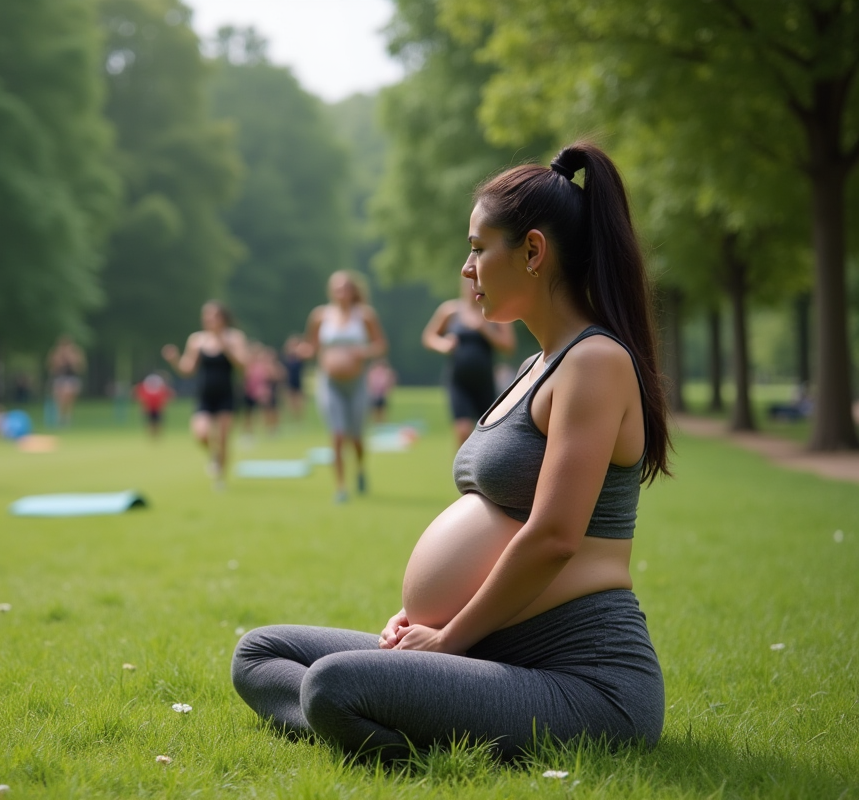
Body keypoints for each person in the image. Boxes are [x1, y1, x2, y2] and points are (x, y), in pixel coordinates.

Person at [233, 142, 672, 762]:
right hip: (488, 649)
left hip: (582, 680)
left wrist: (448, 643)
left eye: (476, 247)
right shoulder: (532, 367)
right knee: (259, 653)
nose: (466, 269)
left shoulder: (595, 363)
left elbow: (553, 537)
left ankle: (389, 718)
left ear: (533, 251)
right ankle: (399, 709)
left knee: (333, 684)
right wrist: (415, 617)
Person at [298, 271, 388, 503]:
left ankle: (359, 469)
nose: (341, 293)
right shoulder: (320, 316)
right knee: (337, 434)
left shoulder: (365, 316)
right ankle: (340, 487)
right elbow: (312, 346)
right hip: (329, 384)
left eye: (345, 288)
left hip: (357, 383)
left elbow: (380, 345)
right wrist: (302, 351)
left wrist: (364, 351)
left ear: (353, 291)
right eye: (337, 289)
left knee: (356, 437)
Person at [162, 301, 249, 489]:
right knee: (201, 434)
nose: (209, 320)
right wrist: (174, 360)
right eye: (206, 316)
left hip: (226, 395)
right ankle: (213, 455)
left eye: (213, 316)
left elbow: (243, 365)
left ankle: (220, 480)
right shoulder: (197, 340)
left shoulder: (234, 338)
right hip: (205, 396)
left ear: (223, 318)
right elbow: (188, 369)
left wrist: (225, 347)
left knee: (224, 438)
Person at [423, 279, 517, 448]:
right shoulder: (450, 311)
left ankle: (482, 473)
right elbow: (429, 337)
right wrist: (443, 345)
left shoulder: (494, 312)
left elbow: (509, 345)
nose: (474, 288)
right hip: (459, 382)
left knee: (489, 432)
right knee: (463, 430)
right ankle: (462, 473)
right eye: (470, 283)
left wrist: (485, 329)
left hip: (485, 383)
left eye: (480, 282)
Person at [48, 336, 85, 428]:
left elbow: (80, 367)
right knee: (59, 399)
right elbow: (51, 367)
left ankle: (67, 419)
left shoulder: (75, 353)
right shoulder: (56, 353)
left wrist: (71, 359)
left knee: (69, 398)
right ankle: (60, 418)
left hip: (71, 378)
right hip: (59, 378)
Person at [134, 372, 175, 438]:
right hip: (149, 408)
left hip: (157, 408)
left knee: (158, 423)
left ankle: (157, 436)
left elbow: (168, 395)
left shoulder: (161, 388)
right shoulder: (144, 388)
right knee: (150, 423)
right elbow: (140, 397)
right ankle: (151, 436)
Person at [281, 334, 306, 422]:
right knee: (290, 401)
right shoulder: (286, 357)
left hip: (297, 379)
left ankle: (299, 418)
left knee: (298, 400)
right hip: (289, 380)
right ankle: (293, 418)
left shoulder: (299, 356)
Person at [366, 359, 397, 424]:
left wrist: (388, 391)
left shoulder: (386, 373)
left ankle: (382, 423)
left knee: (382, 411)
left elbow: (390, 382)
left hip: (382, 394)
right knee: (374, 411)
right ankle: (376, 423)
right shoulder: (372, 372)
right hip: (374, 394)